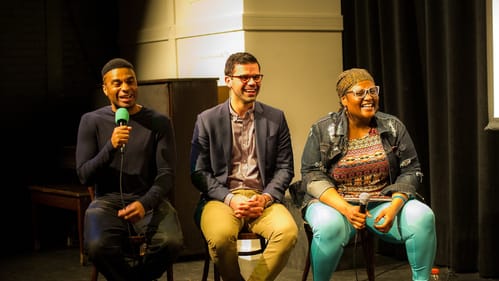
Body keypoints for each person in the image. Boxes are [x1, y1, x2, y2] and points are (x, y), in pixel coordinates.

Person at [299, 68, 437, 281]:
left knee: (423, 217)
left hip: (382, 201)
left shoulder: (392, 126)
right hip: (334, 203)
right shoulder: (322, 129)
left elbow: (412, 170)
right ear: (344, 99)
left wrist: (394, 206)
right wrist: (346, 208)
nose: (369, 97)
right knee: (329, 227)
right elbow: (311, 174)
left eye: (372, 91)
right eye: (360, 93)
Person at [190, 52, 299, 281]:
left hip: (263, 198)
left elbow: (285, 168)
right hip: (221, 198)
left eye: (257, 76)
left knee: (288, 233)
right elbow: (198, 172)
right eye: (245, 77)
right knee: (220, 238)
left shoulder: (275, 118)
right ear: (228, 80)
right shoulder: (207, 120)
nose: (252, 83)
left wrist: (266, 197)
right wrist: (230, 199)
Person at [76, 58, 184, 281]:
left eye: (130, 81)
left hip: (149, 199)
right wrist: (111, 146)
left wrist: (145, 204)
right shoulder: (91, 121)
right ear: (106, 89)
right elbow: (84, 175)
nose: (125, 88)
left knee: (171, 242)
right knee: (97, 247)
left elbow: (166, 174)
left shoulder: (159, 122)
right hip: (107, 201)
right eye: (117, 83)